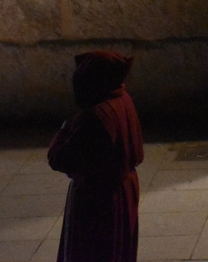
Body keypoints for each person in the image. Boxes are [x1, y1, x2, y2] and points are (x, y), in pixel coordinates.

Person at [48, 51, 144, 262]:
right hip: (122, 192)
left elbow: (59, 158)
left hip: (98, 201)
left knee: (94, 252)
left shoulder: (95, 117)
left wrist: (65, 129)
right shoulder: (122, 99)